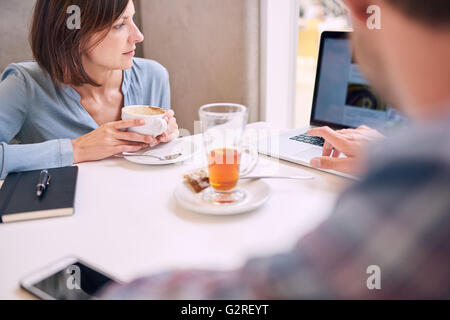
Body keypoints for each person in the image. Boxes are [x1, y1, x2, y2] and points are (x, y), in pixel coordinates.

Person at [100, 0, 450, 299]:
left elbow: (255, 295)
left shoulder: (426, 181)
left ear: (359, 8)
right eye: (120, 24)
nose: (136, 35)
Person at [0, 0, 179, 180]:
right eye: (119, 25)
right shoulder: (23, 85)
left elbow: (158, 172)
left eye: (132, 19)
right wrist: (77, 149)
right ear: (73, 34)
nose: (138, 36)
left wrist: (166, 138)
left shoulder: (154, 77)